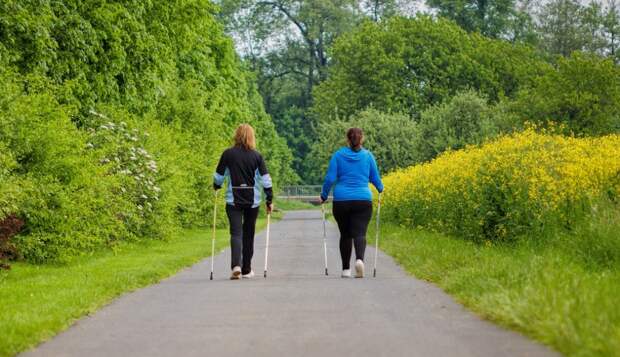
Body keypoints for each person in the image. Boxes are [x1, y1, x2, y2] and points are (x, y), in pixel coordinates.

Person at [320, 128, 383, 278]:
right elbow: (375, 178)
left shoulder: (338, 155)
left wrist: (323, 195)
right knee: (360, 233)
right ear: (362, 139)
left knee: (346, 234)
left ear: (348, 139)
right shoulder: (368, 156)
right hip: (363, 199)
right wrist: (380, 188)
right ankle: (360, 260)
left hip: (342, 201)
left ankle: (346, 270)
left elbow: (330, 178)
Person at [214, 124, 273, 280]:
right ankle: (247, 269)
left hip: (233, 200)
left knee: (236, 233)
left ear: (236, 135)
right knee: (249, 234)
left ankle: (236, 266)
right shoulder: (257, 156)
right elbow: (266, 179)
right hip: (252, 201)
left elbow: (219, 176)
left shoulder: (228, 154)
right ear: (251, 137)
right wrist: (269, 199)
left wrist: (216, 186)